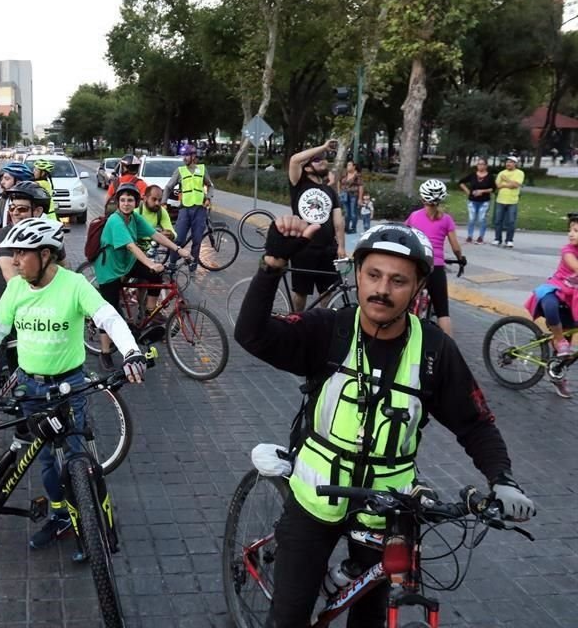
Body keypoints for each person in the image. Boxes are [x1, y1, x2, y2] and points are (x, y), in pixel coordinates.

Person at [234, 218, 536, 628]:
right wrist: (272, 265)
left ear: (417, 288)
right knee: (288, 618)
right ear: (357, 274)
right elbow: (252, 335)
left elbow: (475, 423)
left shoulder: (433, 349)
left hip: (389, 510)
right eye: (373, 275)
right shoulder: (329, 329)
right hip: (315, 499)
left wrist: (502, 477)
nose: (382, 289)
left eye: (398, 280)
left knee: (371, 617)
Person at [0, 217, 148, 554]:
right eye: (13, 254)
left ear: (45, 254)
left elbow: (108, 317)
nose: (14, 261)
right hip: (30, 388)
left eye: (21, 254)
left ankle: (94, 524)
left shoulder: (73, 285)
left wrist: (132, 352)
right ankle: (60, 516)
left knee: (78, 459)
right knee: (45, 460)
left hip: (69, 388)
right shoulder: (16, 288)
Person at [94, 183, 190, 371]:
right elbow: (131, 246)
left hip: (126, 264)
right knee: (110, 312)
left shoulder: (135, 218)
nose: (126, 203)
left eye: (130, 200)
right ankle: (104, 352)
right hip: (110, 270)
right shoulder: (115, 220)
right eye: (122, 200)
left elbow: (155, 234)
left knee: (156, 275)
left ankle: (148, 312)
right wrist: (150, 263)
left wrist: (178, 249)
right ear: (118, 202)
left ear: (136, 202)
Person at [0, 181, 53, 324]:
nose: (15, 213)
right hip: (0, 305)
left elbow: (63, 269)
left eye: (22, 209)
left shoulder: (49, 236)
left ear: (37, 211)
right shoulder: (4, 235)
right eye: (11, 208)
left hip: (37, 306)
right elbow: (13, 279)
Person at [287, 140, 347, 311]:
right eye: (317, 160)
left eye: (324, 158)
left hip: (328, 249)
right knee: (301, 293)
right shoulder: (298, 184)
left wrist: (341, 246)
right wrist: (323, 147)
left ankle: (324, 322)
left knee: (327, 291)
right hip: (304, 248)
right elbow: (294, 160)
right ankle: (296, 321)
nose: (323, 161)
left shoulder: (330, 191)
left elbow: (338, 219)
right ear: (307, 167)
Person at [523, 213, 578, 399]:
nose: (571, 234)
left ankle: (557, 372)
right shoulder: (568, 251)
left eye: (576, 231)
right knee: (551, 306)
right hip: (555, 289)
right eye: (570, 229)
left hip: (572, 297)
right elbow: (575, 266)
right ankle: (558, 339)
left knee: (568, 341)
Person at [404, 179, 466, 337]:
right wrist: (460, 258)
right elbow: (456, 246)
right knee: (442, 312)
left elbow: (405, 236)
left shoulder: (414, 217)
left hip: (417, 264)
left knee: (404, 304)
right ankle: (450, 352)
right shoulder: (447, 220)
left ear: (423, 198)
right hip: (436, 266)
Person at [164, 144, 216, 272]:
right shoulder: (180, 171)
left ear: (193, 156)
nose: (184, 158)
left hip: (200, 209)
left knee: (197, 239)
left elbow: (210, 185)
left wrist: (208, 198)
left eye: (187, 155)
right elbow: (168, 187)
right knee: (179, 238)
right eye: (183, 156)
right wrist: (163, 202)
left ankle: (193, 264)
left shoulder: (202, 169)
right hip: (185, 210)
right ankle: (172, 263)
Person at [459, 158, 496, 244]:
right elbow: (461, 182)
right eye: (478, 164)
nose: (480, 166)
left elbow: (493, 188)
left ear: (486, 166)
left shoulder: (490, 176)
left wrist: (482, 191)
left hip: (484, 201)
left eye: (482, 164)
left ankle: (481, 237)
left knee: (482, 219)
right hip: (472, 200)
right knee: (471, 219)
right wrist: (468, 192)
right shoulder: (473, 175)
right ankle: (469, 236)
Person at [493, 155, 525, 248]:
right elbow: (498, 185)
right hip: (501, 200)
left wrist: (506, 181)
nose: (508, 164)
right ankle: (497, 239)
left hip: (512, 201)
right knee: (498, 220)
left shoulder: (519, 173)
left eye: (511, 162)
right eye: (507, 162)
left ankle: (509, 240)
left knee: (511, 221)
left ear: (515, 164)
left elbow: (516, 185)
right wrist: (509, 184)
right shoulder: (501, 173)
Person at [136, 184, 175, 251]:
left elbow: (172, 232)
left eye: (159, 200)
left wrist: (171, 235)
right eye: (154, 199)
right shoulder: (136, 210)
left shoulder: (161, 211)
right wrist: (156, 236)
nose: (157, 203)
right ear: (145, 198)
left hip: (151, 248)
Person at [338, 160, 363, 234]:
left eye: (349, 165)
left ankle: (353, 228)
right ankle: (346, 227)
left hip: (353, 196)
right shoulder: (344, 174)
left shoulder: (357, 175)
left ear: (354, 166)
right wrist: (339, 192)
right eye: (347, 165)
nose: (347, 166)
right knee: (346, 212)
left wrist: (360, 198)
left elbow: (361, 186)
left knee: (353, 213)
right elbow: (339, 181)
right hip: (344, 195)